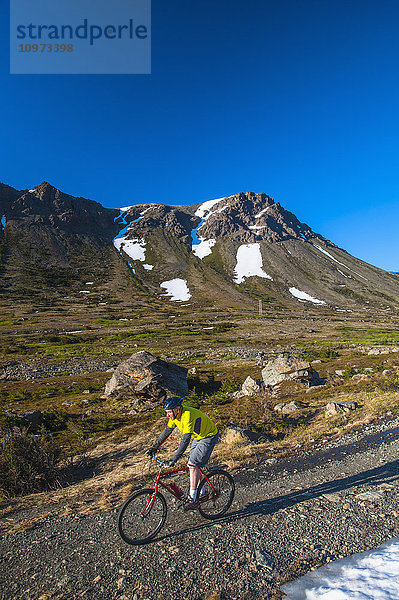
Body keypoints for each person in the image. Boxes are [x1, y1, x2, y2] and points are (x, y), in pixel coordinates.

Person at [147, 396, 219, 509]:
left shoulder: (187, 416)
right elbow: (167, 430)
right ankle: (202, 492)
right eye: (166, 412)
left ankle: (193, 498)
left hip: (209, 436)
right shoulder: (174, 417)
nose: (167, 415)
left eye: (169, 412)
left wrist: (173, 460)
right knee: (193, 464)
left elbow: (185, 440)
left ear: (177, 410)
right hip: (199, 437)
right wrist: (155, 447)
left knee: (193, 464)